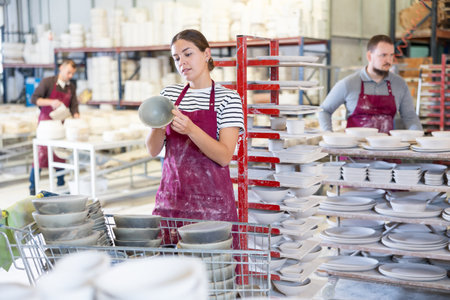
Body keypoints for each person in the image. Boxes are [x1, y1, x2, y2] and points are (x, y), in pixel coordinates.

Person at [145, 29, 244, 242]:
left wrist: (191, 130)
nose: (182, 62)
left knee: (213, 270)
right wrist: (159, 123)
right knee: (172, 269)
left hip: (212, 205)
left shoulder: (229, 99)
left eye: (188, 54)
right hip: (172, 200)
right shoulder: (169, 96)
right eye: (176, 58)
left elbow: (224, 156)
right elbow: (152, 150)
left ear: (206, 54)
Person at [318, 35, 423, 133]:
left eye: (391, 55)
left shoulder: (399, 84)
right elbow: (324, 110)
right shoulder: (348, 83)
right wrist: (329, 134)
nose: (389, 60)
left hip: (386, 149)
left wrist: (417, 137)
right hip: (354, 150)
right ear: (369, 56)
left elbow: (410, 117)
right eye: (383, 55)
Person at [29, 59, 79, 195]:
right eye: (68, 72)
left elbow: (74, 105)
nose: (70, 76)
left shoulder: (71, 87)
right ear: (61, 68)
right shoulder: (48, 82)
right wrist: (51, 102)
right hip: (46, 126)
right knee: (41, 156)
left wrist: (76, 118)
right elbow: (34, 99)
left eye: (72, 74)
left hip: (60, 127)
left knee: (60, 155)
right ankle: (33, 187)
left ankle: (61, 186)